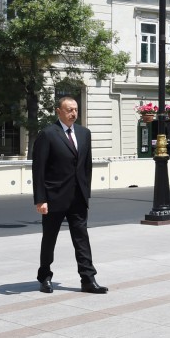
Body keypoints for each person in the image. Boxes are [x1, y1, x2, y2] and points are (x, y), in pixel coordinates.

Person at [31, 96, 107, 294]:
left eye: (76, 109)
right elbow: (38, 169)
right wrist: (40, 199)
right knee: (49, 238)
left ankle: (88, 279)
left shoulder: (84, 133)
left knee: (82, 238)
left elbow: (86, 166)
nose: (73, 113)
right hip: (54, 197)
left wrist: (86, 192)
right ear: (59, 111)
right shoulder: (47, 134)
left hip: (78, 197)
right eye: (69, 110)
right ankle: (45, 276)